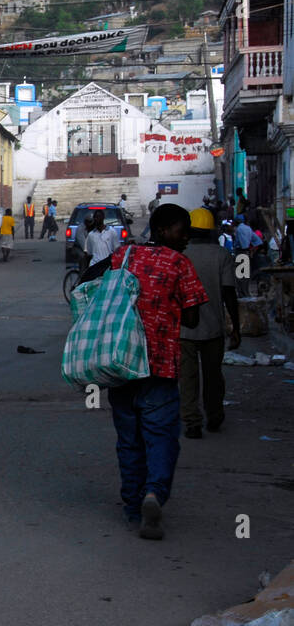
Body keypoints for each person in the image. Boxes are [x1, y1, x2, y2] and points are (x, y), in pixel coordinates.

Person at [105, 204, 207, 540]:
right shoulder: (179, 263)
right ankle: (154, 494)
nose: (187, 237)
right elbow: (192, 318)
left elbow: (97, 283)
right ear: (163, 231)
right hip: (160, 367)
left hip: (121, 365)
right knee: (161, 438)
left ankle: (134, 507)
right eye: (182, 230)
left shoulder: (125, 256)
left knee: (129, 441)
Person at [179, 209, 240, 440]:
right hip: (214, 328)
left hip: (184, 329)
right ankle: (214, 415)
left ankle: (192, 421)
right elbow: (229, 293)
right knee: (213, 375)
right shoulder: (222, 254)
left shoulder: (180, 255)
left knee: (187, 377)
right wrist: (236, 327)